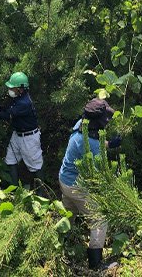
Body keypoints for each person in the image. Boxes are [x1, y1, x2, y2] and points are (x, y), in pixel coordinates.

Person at [58, 98, 121, 270]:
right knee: (99, 219)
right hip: (77, 186)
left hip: (64, 178)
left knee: (68, 214)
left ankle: (60, 246)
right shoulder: (92, 146)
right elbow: (96, 175)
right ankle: (95, 263)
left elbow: (91, 143)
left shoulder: (81, 125)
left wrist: (109, 144)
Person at [0, 72, 43, 191]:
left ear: (20, 89)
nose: (9, 89)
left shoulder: (25, 103)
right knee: (10, 160)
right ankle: (14, 190)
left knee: (35, 166)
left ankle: (42, 195)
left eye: (11, 87)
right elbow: (9, 110)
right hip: (17, 135)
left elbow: (8, 116)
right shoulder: (18, 98)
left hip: (29, 138)